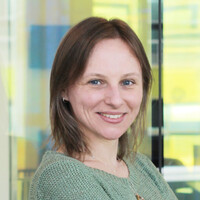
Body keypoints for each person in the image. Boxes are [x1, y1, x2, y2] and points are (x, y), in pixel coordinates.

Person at [29, 17, 177, 200]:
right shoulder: (61, 177)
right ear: (63, 89)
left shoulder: (141, 166)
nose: (115, 100)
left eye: (127, 82)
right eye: (96, 82)